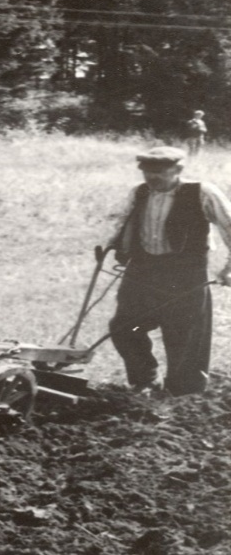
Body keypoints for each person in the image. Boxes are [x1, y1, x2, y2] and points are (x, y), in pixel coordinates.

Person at [104, 146, 231, 396]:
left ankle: (183, 395)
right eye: (147, 172)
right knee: (124, 327)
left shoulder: (202, 192)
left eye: (159, 172)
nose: (151, 178)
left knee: (184, 335)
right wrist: (114, 245)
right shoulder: (139, 193)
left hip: (185, 274)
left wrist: (229, 269)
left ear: (178, 170)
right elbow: (123, 223)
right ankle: (146, 381)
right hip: (142, 270)